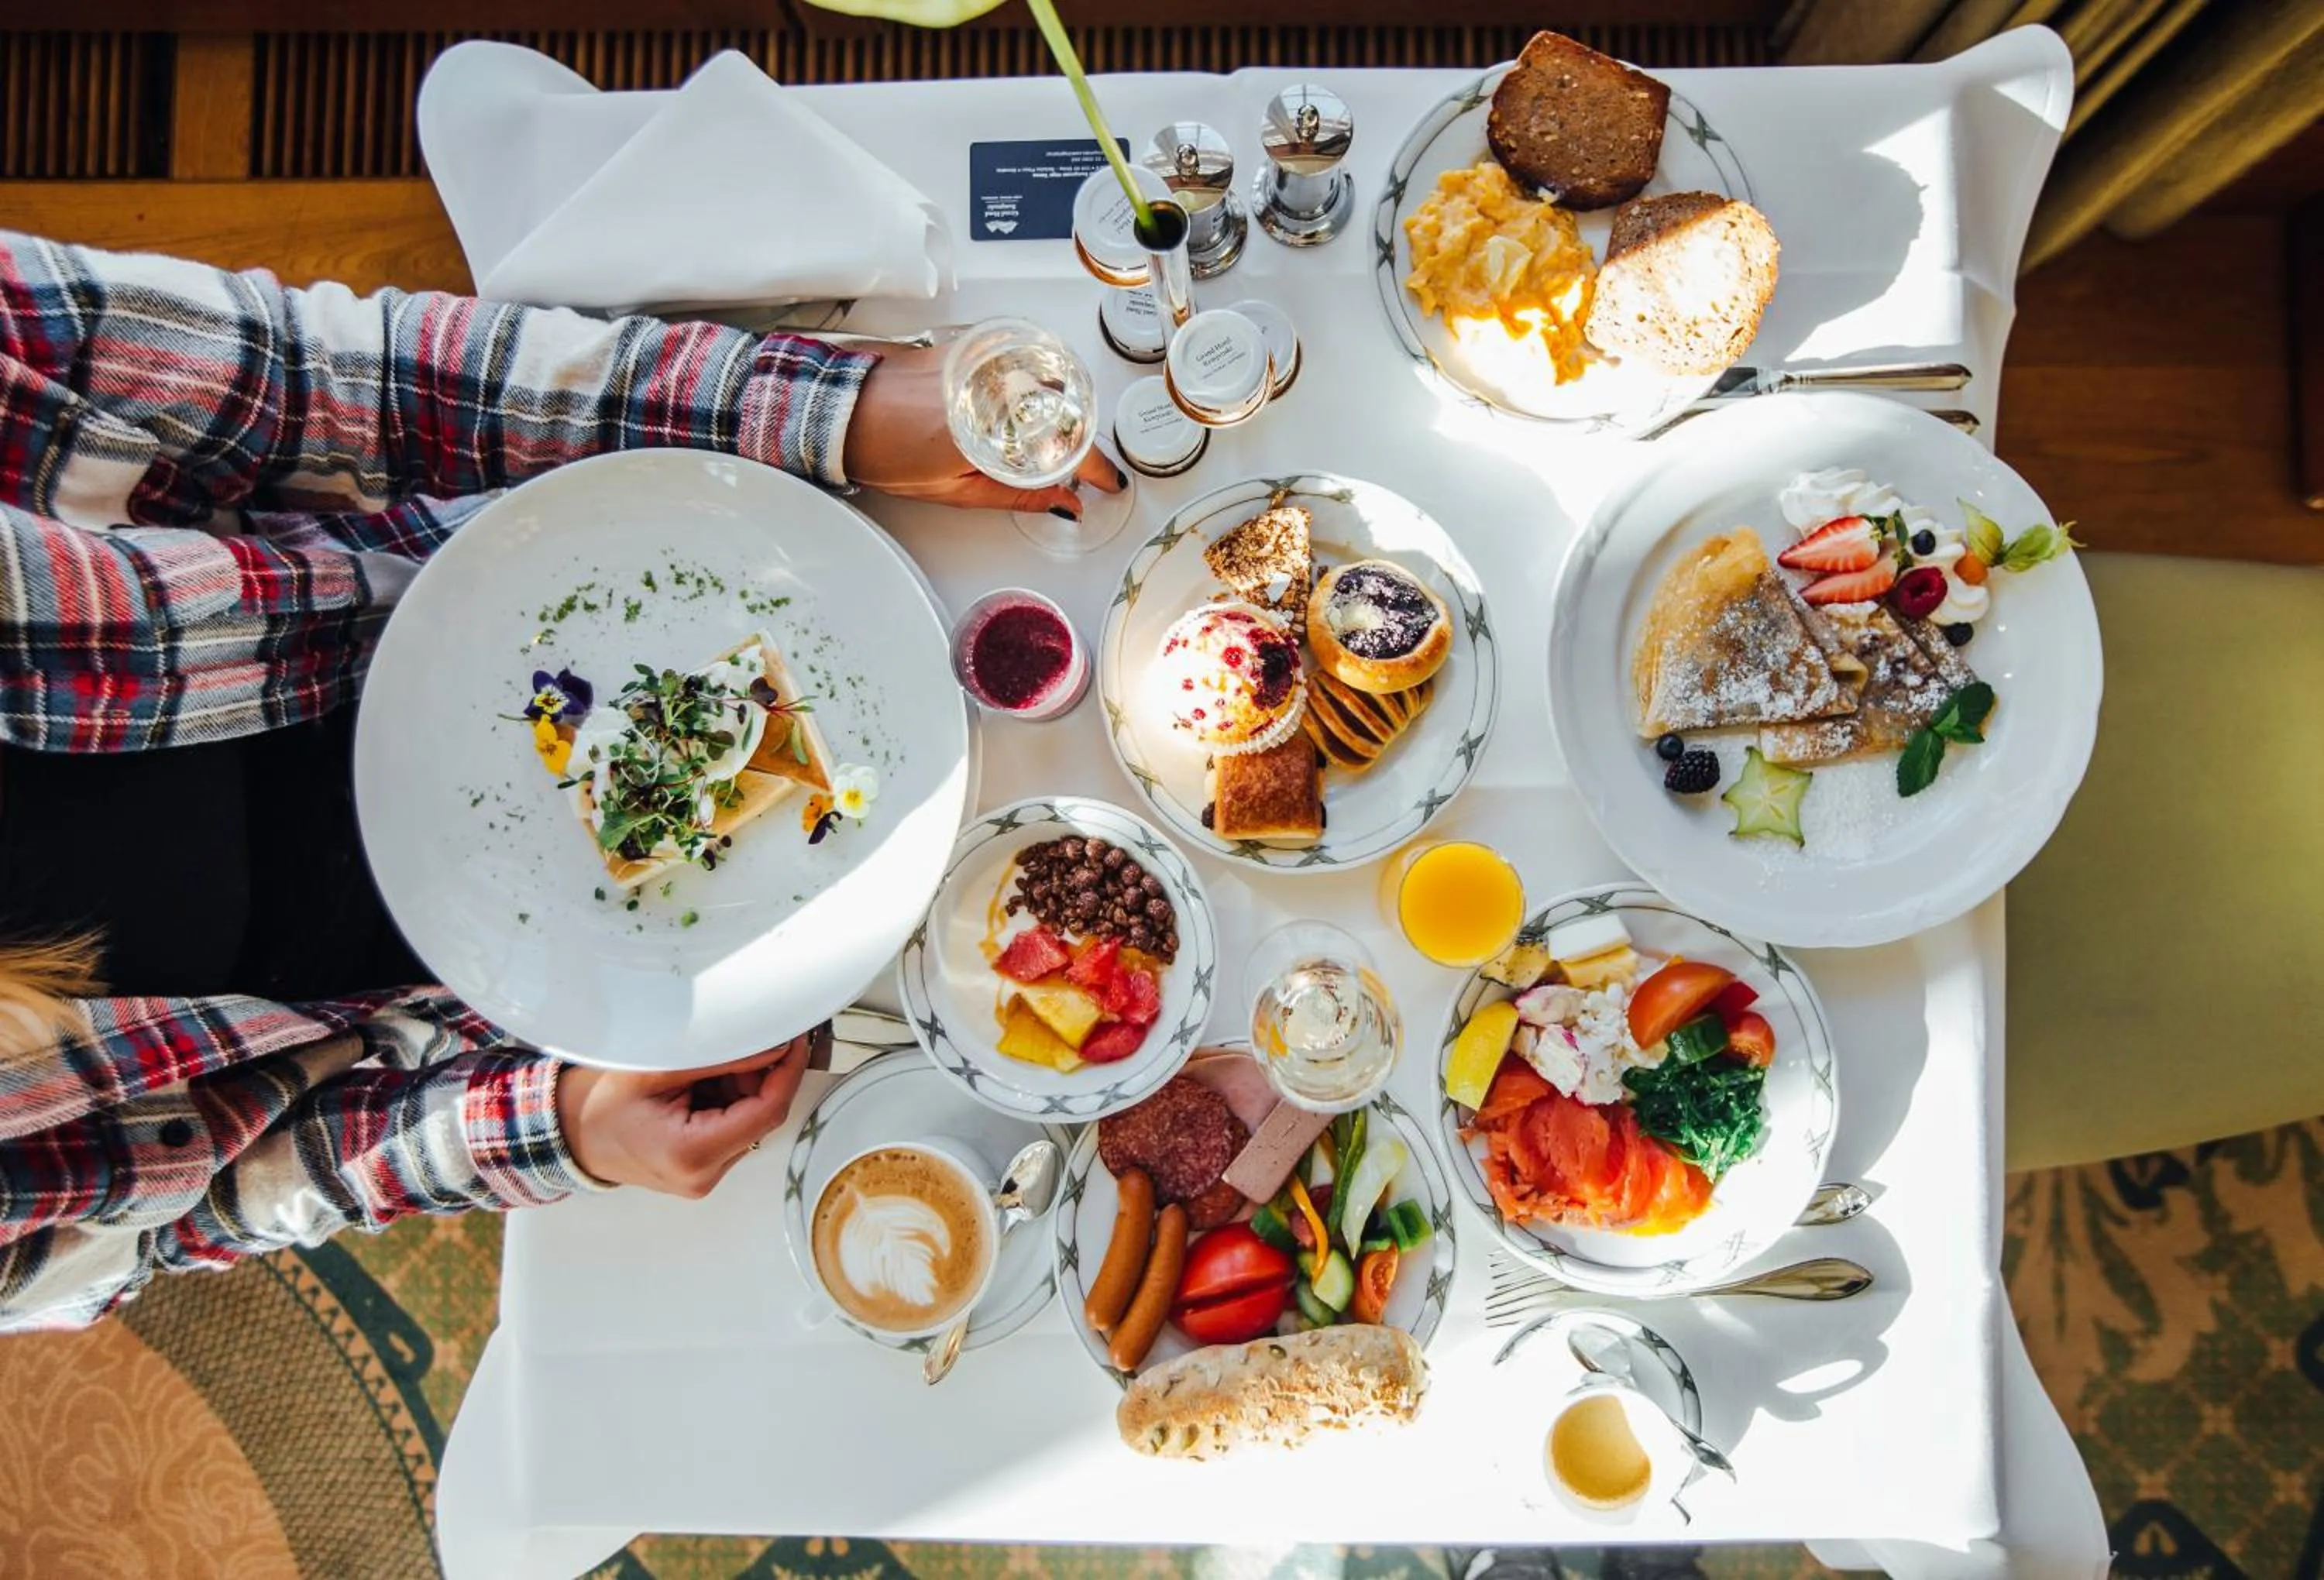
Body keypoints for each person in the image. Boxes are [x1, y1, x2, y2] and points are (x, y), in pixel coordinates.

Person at [0, 229, 1123, 1333]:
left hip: (565, 557)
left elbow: (316, 380)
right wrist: (557, 1124)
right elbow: (187, 1208)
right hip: (532, 1001)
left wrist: (827, 412)